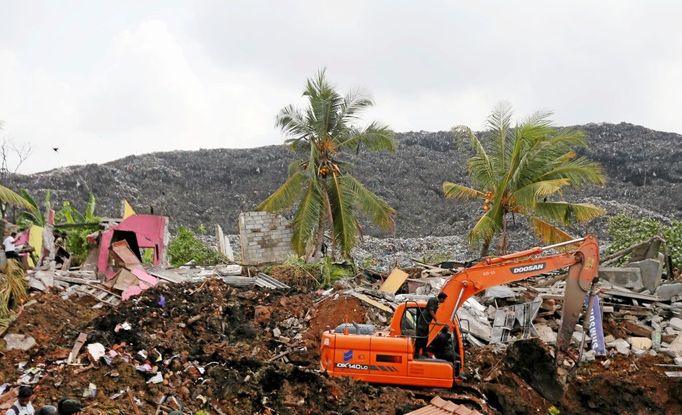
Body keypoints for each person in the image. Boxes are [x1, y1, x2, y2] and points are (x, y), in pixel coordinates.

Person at [414, 292, 447, 357]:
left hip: (426, 322)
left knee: (426, 337)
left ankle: (423, 351)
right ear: (441, 298)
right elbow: (431, 311)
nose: (444, 301)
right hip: (423, 321)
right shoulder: (433, 300)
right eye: (444, 299)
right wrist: (436, 320)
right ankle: (417, 352)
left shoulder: (436, 302)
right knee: (421, 336)